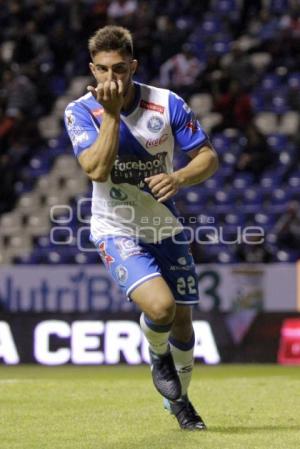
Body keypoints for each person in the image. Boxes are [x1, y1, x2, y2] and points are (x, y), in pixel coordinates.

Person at [64, 25, 218, 431]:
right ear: (91, 68)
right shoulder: (80, 111)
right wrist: (112, 115)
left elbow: (207, 156)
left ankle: (181, 404)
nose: (110, 80)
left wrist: (181, 178)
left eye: (119, 69)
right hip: (115, 227)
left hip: (164, 225)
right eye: (101, 70)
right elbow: (96, 169)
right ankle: (156, 355)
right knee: (162, 308)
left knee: (184, 324)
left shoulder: (167, 104)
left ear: (133, 66)